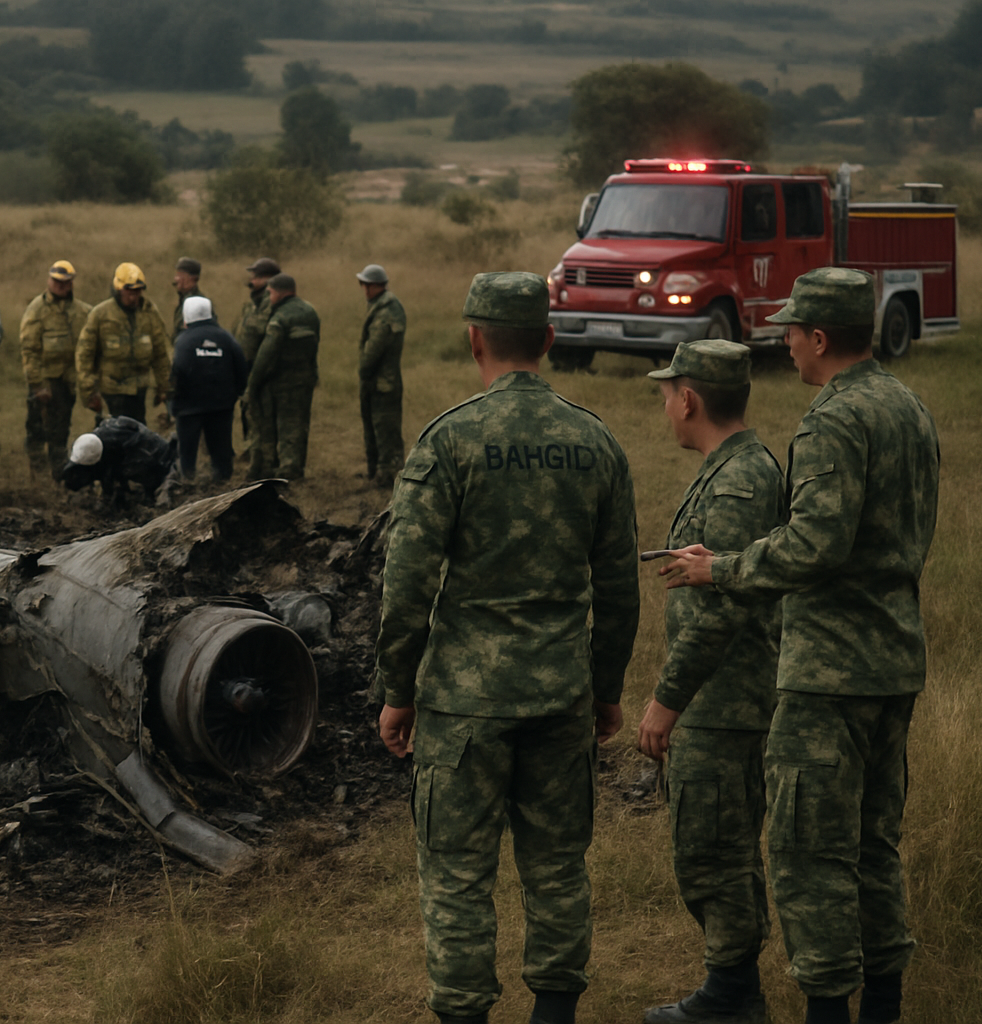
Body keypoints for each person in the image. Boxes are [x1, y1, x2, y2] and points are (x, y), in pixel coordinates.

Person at [658, 268, 940, 1024]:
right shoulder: (909, 407)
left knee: (809, 853)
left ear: (819, 338)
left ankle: (827, 1010)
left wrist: (723, 569)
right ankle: (883, 1005)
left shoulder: (833, 418)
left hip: (828, 674)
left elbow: (816, 545)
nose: (782, 343)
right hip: (893, 662)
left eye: (790, 331)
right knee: (874, 846)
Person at [374, 272, 640, 1024]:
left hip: (464, 705)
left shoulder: (450, 440)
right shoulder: (596, 442)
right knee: (557, 868)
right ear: (550, 340)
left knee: (458, 874)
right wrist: (607, 687)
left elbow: (407, 585)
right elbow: (620, 587)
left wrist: (398, 690)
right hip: (561, 697)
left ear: (473, 339)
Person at [635, 340, 787, 1024]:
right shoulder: (732, 467)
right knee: (714, 842)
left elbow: (721, 611)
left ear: (689, 399)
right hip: (721, 698)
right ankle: (732, 985)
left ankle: (732, 996)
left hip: (724, 702)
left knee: (714, 847)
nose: (665, 407)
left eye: (668, 394)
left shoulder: (738, 481)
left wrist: (666, 702)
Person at [19, 259, 92, 481]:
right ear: (49, 281)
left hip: (66, 383)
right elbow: (29, 351)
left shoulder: (82, 311)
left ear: (71, 283)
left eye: (65, 282)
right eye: (56, 281)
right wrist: (37, 385)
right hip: (44, 382)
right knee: (37, 430)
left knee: (60, 431)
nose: (61, 286)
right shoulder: (37, 310)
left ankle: (59, 474)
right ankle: (38, 476)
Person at [75, 262, 172, 424]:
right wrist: (89, 391)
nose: (133, 296)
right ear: (118, 289)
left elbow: (161, 353)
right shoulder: (100, 315)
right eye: (129, 291)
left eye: (137, 291)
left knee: (137, 436)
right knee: (112, 436)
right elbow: (84, 354)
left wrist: (164, 387)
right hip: (110, 392)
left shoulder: (150, 314)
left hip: (139, 391)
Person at [246, 273, 320, 480]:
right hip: (305, 379)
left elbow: (266, 353)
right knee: (300, 423)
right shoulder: (310, 311)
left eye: (270, 293)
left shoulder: (279, 318)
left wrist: (253, 383)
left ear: (279, 292)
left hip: (282, 381)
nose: (269, 297)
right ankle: (296, 466)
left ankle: (286, 469)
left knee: (283, 425)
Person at [170, 295, 248, 483]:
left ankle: (186, 482)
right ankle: (222, 484)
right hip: (221, 407)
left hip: (189, 408)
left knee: (187, 451)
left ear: (186, 317)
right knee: (221, 450)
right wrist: (234, 395)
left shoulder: (183, 341)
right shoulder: (226, 338)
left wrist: (176, 404)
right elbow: (241, 368)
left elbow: (176, 373)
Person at [356, 263, 407, 486]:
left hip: (383, 382)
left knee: (385, 430)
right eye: (363, 284)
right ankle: (376, 470)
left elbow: (373, 349)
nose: (365, 290)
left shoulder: (387, 310)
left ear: (380, 286)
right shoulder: (380, 306)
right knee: (374, 428)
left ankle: (388, 474)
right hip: (375, 381)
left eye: (369, 285)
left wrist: (364, 369)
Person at [60, 416, 177, 504]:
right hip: (134, 452)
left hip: (162, 460)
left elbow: (149, 469)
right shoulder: (94, 441)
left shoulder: (133, 450)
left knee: (139, 475)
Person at [234, 256, 280, 474]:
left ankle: (266, 464)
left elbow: (265, 335)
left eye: (257, 275)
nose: (252, 279)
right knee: (248, 414)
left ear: (270, 279)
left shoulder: (270, 304)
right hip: (246, 368)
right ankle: (253, 456)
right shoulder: (250, 305)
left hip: (263, 370)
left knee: (263, 419)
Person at [171, 256, 205, 335]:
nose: (176, 279)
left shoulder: (200, 305)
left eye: (180, 275)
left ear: (191, 279)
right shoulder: (182, 303)